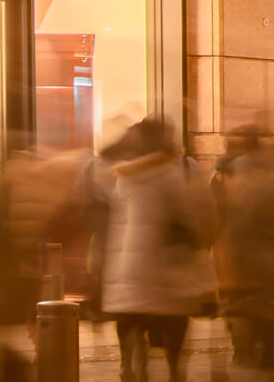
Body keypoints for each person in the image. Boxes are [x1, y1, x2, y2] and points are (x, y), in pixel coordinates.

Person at [101, 117, 215, 382]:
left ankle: (132, 363)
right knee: (174, 318)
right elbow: (187, 214)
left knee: (132, 316)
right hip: (164, 265)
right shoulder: (171, 174)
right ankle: (175, 370)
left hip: (130, 266)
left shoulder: (124, 177)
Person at [213, 126, 274, 382]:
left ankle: (247, 359)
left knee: (267, 335)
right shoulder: (263, 175)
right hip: (269, 273)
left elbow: (232, 225)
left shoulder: (234, 175)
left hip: (255, 271)